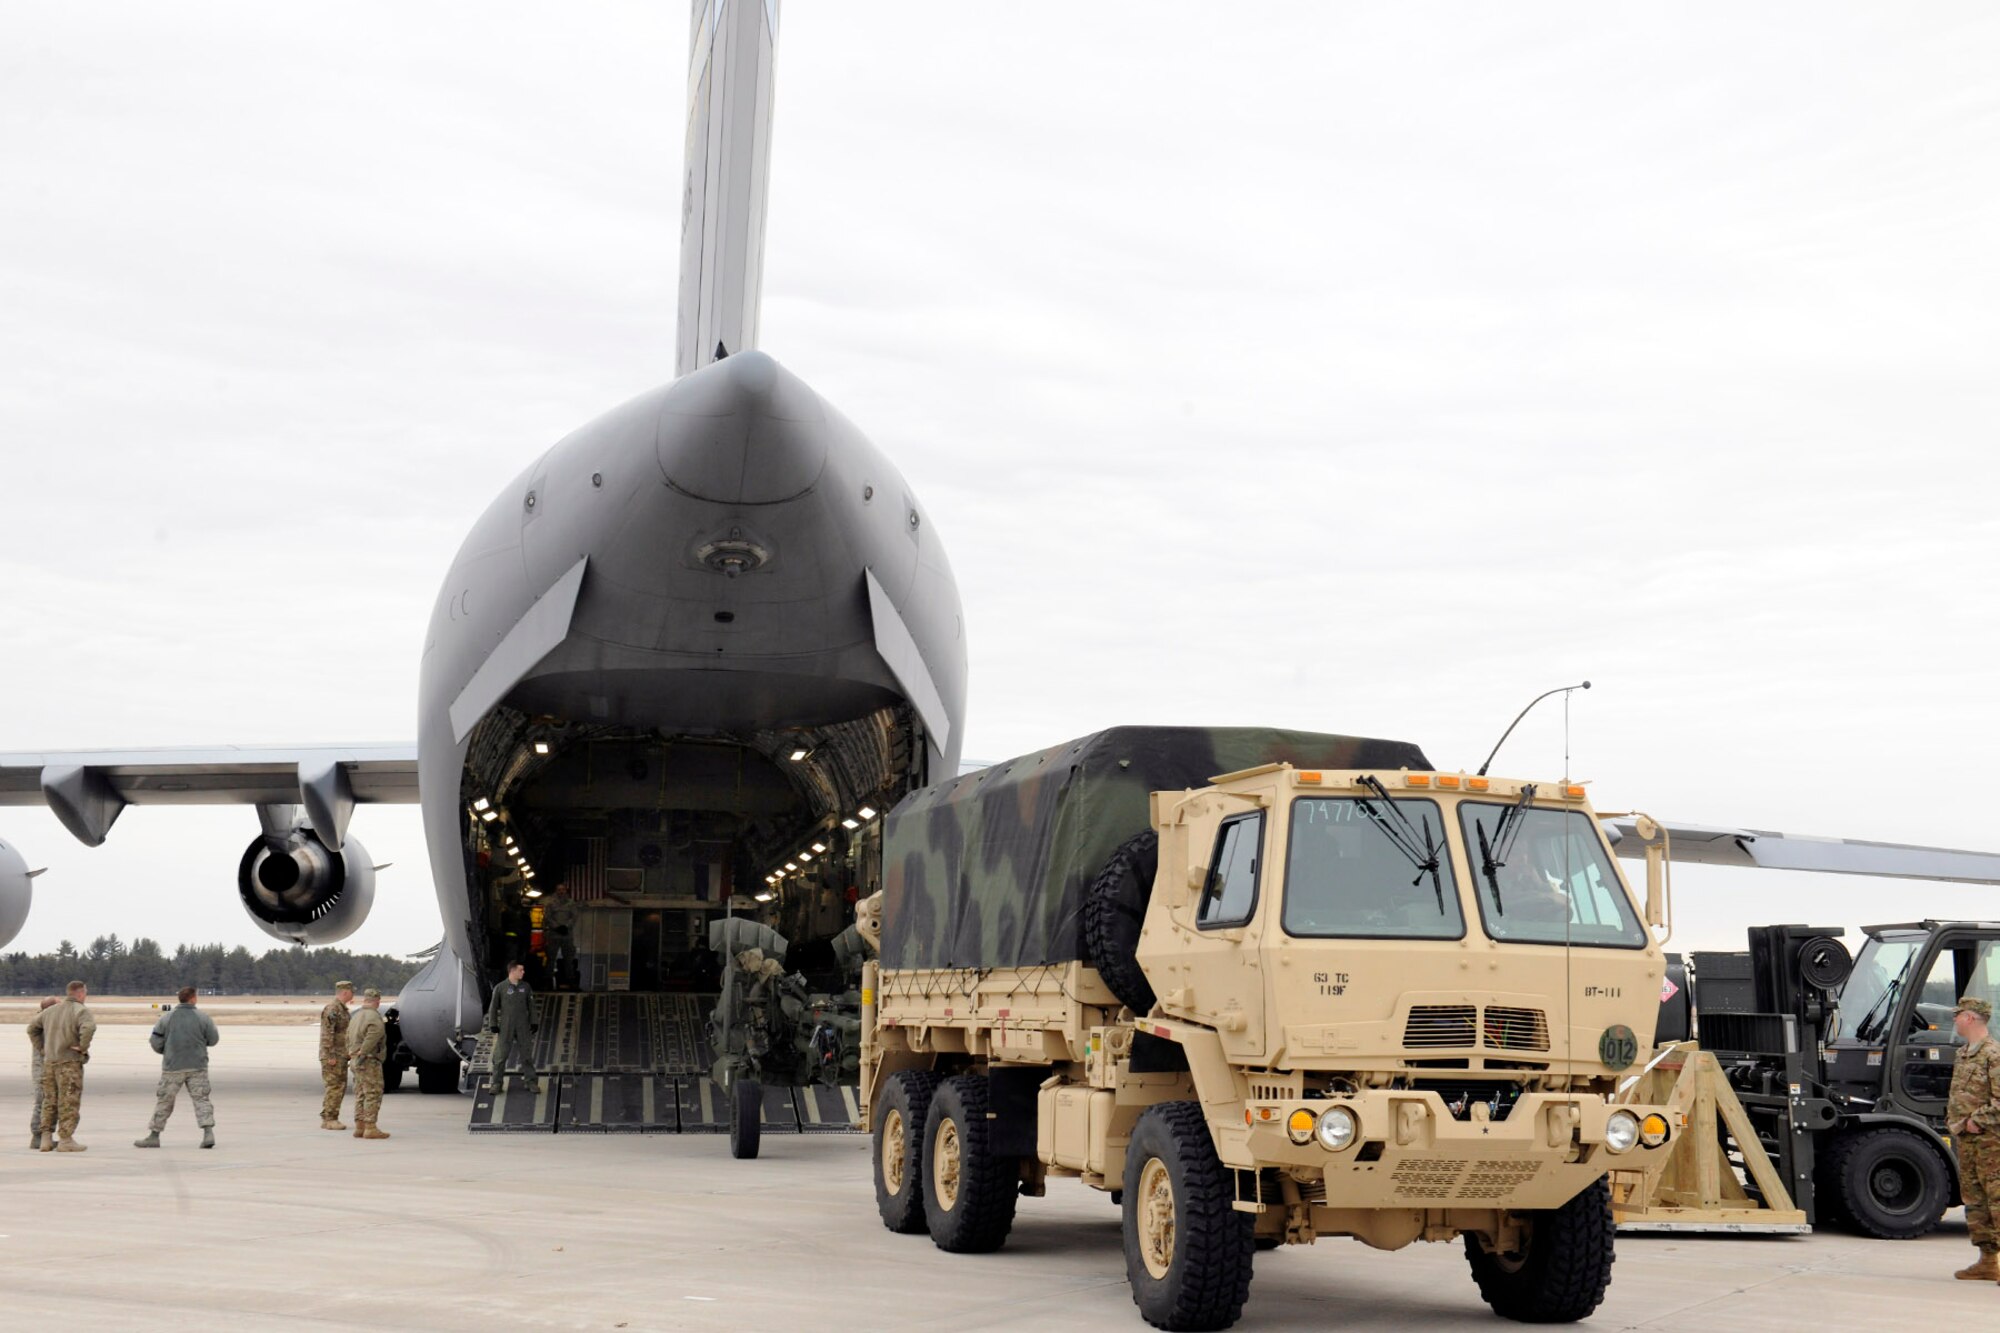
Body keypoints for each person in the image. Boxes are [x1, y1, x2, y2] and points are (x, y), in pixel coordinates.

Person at [1947, 995, 2000, 1281]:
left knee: (1997, 1199)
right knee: (1976, 1201)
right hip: (1967, 1140)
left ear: (1970, 1018)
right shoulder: (1964, 1053)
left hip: (1991, 1142)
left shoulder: (1994, 1054)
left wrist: (1975, 1121)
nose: (1954, 1019)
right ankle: (1988, 1261)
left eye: (1958, 1014)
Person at [135, 985, 220, 1149]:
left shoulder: (166, 1018)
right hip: (198, 1066)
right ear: (193, 998)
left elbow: (155, 1041)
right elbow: (214, 1039)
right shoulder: (203, 1018)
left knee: (165, 1101)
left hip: (173, 1067)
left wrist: (167, 1051)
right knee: (201, 1100)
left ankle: (154, 1135)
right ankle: (208, 1133)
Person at [34, 979, 95, 1152]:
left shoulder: (51, 1010)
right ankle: (66, 1139)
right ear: (81, 993)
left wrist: (42, 1048)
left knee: (49, 1100)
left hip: (50, 1063)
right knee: (69, 1101)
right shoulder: (81, 1010)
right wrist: (83, 1047)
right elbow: (89, 1028)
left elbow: (32, 1028)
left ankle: (46, 1138)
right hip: (69, 1062)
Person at [484, 961, 539, 1092]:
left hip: (523, 1026)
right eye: (521, 970)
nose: (523, 972)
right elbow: (493, 1008)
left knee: (526, 1055)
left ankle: (530, 1082)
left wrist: (534, 1022)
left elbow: (531, 1006)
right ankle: (496, 1083)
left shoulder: (525, 987)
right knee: (500, 1056)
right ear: (512, 971)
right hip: (506, 1026)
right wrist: (493, 1024)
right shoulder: (500, 987)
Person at [345, 987, 391, 1140]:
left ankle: (360, 1126)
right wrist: (363, 1052)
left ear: (364, 1000)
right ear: (377, 1001)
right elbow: (374, 1035)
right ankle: (370, 1127)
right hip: (368, 1060)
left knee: (360, 1093)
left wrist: (352, 1053)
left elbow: (347, 1036)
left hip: (355, 1060)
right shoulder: (374, 1017)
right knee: (373, 1093)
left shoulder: (356, 1016)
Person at [318, 980, 355, 1130]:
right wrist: (331, 1055)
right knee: (335, 1087)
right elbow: (327, 1034)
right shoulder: (333, 1009)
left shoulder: (342, 1009)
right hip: (333, 1056)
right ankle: (330, 1119)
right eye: (352, 991)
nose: (353, 994)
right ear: (345, 992)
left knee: (338, 1086)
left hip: (340, 1055)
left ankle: (329, 1117)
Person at [24, 996, 57, 1150]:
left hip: (46, 1066)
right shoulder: (42, 1022)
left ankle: (43, 1136)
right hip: (42, 1068)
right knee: (42, 1101)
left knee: (47, 1101)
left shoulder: (46, 1020)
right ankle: (37, 1136)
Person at [543, 885, 578, 990]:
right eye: (559, 889)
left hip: (566, 935)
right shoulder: (550, 903)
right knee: (550, 959)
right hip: (554, 934)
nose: (561, 892)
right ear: (556, 891)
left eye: (563, 889)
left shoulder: (571, 903)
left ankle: (571, 981)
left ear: (565, 891)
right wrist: (557, 927)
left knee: (569, 959)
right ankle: (547, 981)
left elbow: (574, 916)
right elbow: (547, 917)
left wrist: (566, 926)